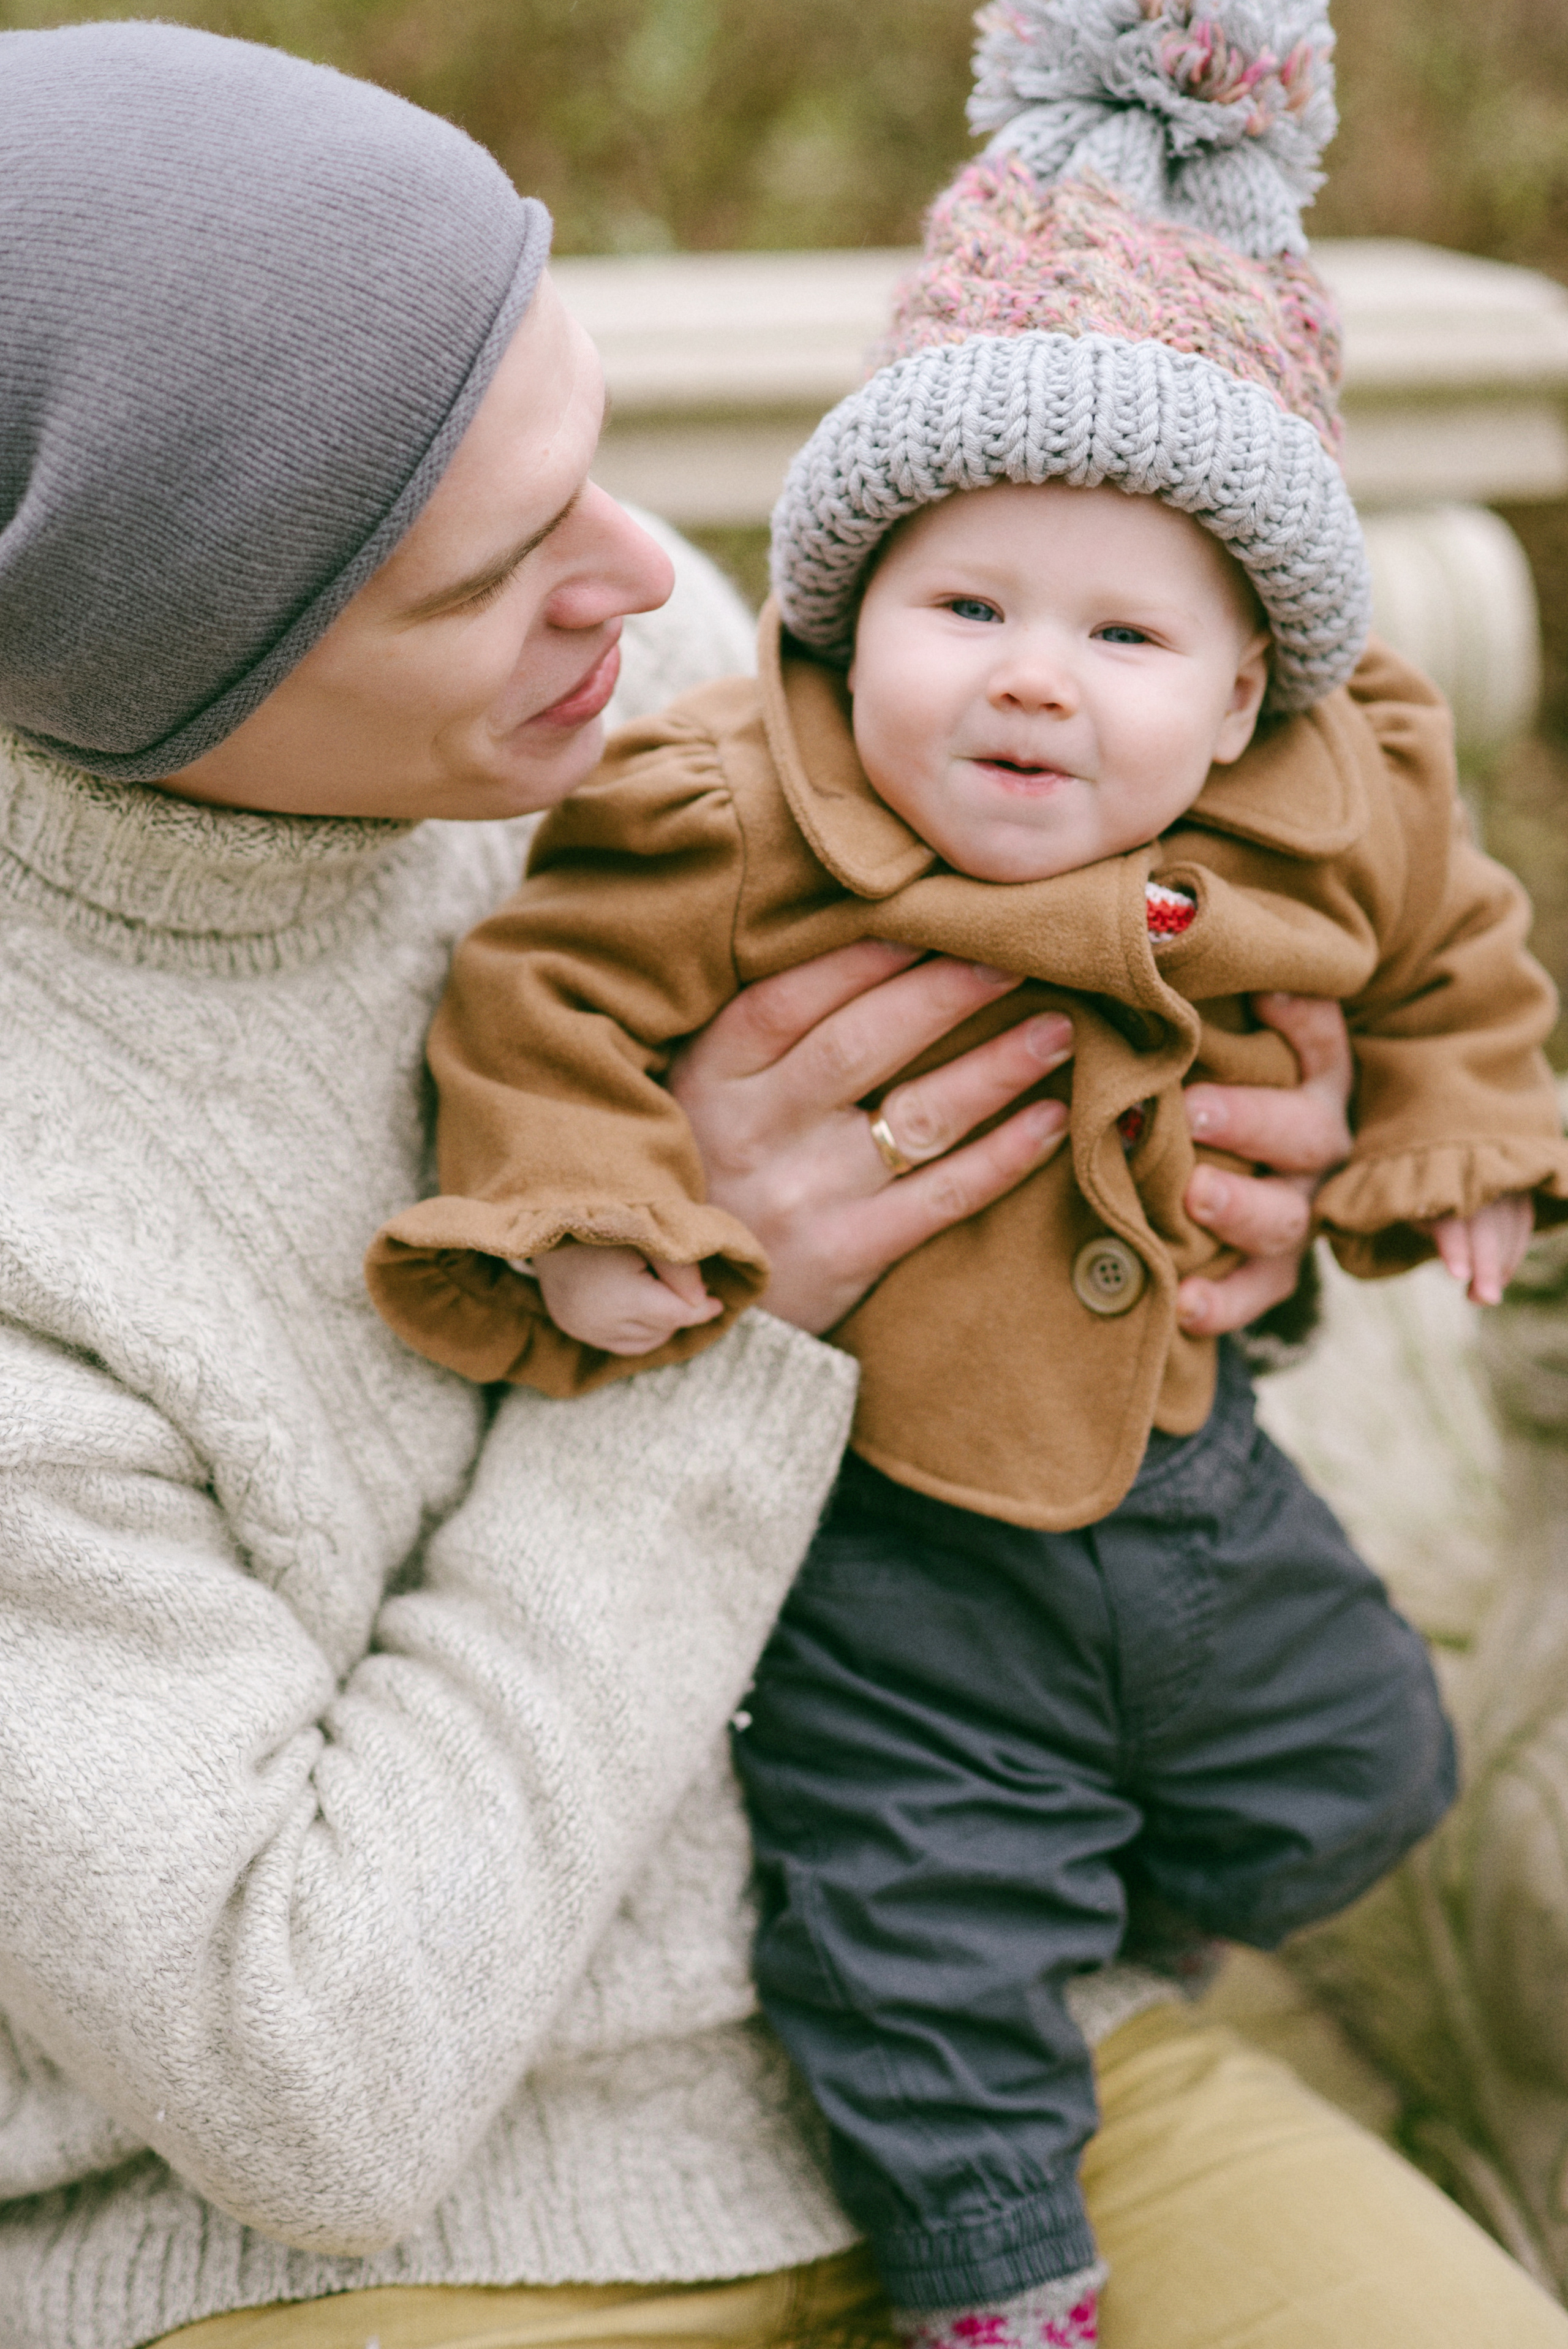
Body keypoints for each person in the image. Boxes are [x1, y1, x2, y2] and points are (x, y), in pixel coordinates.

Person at [2, 18, 1567, 2349]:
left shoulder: (694, 693)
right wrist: (730, 1328)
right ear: (174, 661)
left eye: (597, 460)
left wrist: (1252, 1182)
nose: (654, 580)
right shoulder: (45, 1191)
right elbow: (305, 2080)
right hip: (371, 2240)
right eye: (496, 569)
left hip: (1022, 2010)